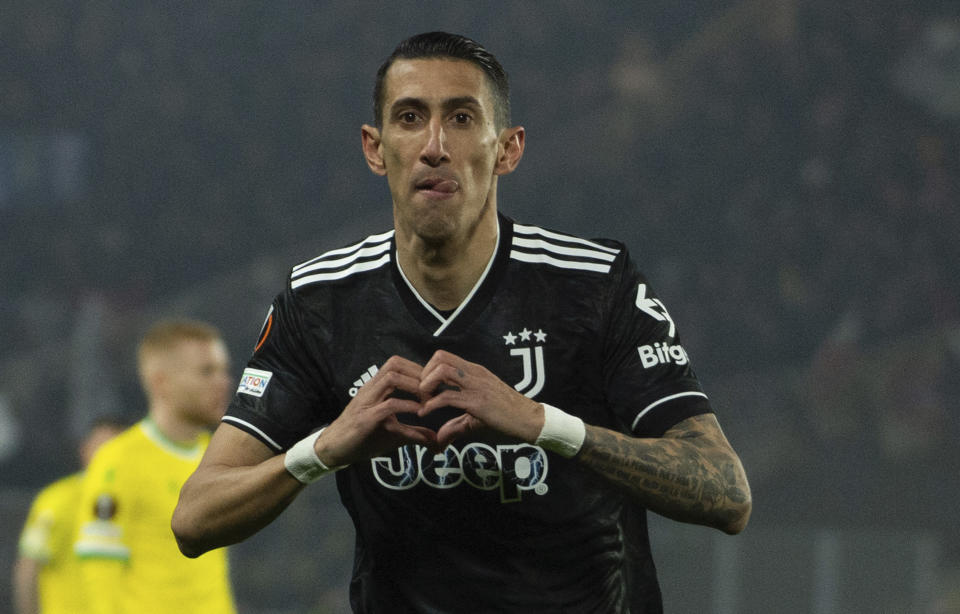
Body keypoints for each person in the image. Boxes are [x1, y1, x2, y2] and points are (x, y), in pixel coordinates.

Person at [172, 31, 752, 613]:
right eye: (409, 117)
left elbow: (726, 493)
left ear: (507, 148)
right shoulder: (320, 303)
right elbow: (195, 518)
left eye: (461, 118)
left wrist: (542, 423)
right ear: (375, 149)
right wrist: (325, 447)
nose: (434, 146)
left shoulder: (595, 285)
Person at [74, 320, 237, 614]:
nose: (223, 381)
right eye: (206, 371)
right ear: (160, 382)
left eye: (224, 370)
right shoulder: (118, 461)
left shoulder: (216, 456)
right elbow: (99, 571)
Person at [12, 418, 124, 614]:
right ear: (85, 449)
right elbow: (29, 567)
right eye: (101, 447)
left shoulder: (137, 500)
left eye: (116, 450)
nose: (108, 456)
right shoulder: (56, 501)